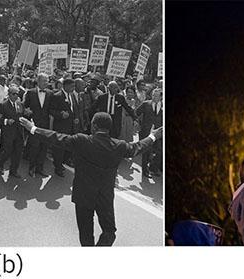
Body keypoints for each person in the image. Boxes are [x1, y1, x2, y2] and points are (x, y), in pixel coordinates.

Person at [18, 113, 161, 246]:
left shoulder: (82, 140)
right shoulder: (119, 146)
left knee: (86, 235)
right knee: (109, 232)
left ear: (94, 126)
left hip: (83, 196)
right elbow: (137, 147)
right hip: (104, 197)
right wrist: (153, 136)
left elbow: (56, 137)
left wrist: (33, 129)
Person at [23, 74, 58, 177]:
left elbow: (52, 109)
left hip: (45, 125)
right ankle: (31, 168)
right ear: (38, 81)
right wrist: (27, 111)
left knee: (43, 147)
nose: (46, 83)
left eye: (47, 81)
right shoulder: (30, 93)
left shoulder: (50, 93)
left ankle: (40, 168)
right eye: (44, 81)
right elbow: (25, 106)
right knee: (34, 147)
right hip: (34, 125)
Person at [0, 86, 28, 179]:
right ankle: (1, 163)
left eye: (17, 94)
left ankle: (13, 170)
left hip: (19, 132)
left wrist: (26, 114)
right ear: (9, 94)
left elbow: (22, 115)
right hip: (8, 133)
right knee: (7, 151)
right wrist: (6, 121)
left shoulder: (20, 104)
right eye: (14, 94)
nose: (16, 96)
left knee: (18, 153)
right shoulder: (3, 105)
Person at [51, 78, 80, 176]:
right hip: (61, 126)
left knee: (68, 146)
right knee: (59, 148)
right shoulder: (57, 96)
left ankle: (63, 162)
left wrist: (76, 117)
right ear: (66, 86)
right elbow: (52, 110)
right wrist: (60, 114)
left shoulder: (72, 95)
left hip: (71, 126)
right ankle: (58, 167)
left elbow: (75, 107)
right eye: (72, 86)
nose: (73, 88)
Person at [135, 87, 163, 183]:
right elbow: (136, 113)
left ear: (161, 97)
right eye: (153, 95)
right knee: (146, 151)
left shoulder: (163, 106)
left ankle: (153, 167)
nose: (155, 97)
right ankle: (145, 170)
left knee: (159, 150)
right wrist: (137, 123)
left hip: (159, 132)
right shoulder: (146, 104)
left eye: (157, 95)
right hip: (146, 132)